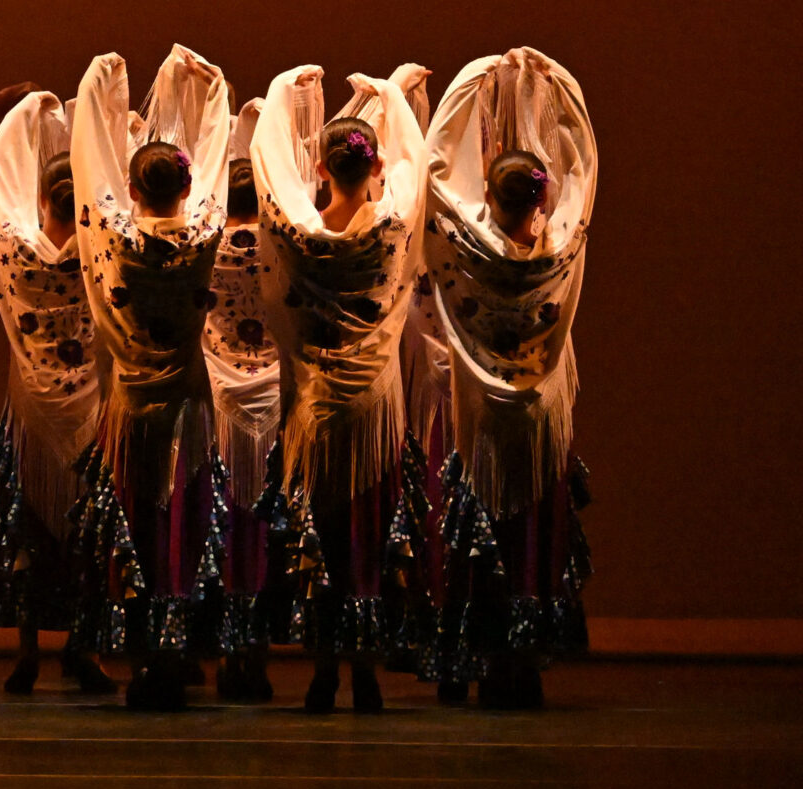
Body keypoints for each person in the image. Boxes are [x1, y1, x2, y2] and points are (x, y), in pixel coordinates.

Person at [252, 65, 429, 713]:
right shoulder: (390, 230)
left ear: (320, 169)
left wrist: (282, 92)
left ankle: (325, 669)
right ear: (374, 166)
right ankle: (366, 672)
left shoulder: (298, 236)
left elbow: (270, 167)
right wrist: (393, 96)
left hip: (317, 408)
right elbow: (413, 166)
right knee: (368, 534)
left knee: (323, 533)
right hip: (374, 409)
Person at [425, 48, 599, 708]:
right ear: (543, 198)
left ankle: (480, 658)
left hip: (481, 424)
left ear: (487, 198)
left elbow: (437, 170)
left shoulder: (464, 248)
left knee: (483, 538)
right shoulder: (561, 248)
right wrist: (559, 83)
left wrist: (472, 75)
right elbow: (583, 169)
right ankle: (522, 664)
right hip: (537, 424)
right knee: (528, 536)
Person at [72, 46, 234, 711]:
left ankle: (143, 655)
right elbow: (218, 162)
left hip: (132, 409)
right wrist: (214, 93)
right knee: (180, 528)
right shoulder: (204, 233)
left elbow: (90, 172)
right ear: (187, 189)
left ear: (132, 191)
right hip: (187, 409)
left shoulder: (113, 239)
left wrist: (100, 87)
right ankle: (177, 652)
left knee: (136, 527)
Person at [0, 82, 111, 697]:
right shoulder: (102, 252)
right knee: (89, 534)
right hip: (88, 411)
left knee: (27, 531)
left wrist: (22, 118)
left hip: (32, 411)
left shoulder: (13, 247)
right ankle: (85, 650)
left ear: (39, 198)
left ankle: (28, 649)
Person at [205, 100, 283, 702]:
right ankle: (255, 653)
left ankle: (224, 647)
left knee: (226, 523)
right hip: (274, 399)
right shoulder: (283, 248)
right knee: (263, 526)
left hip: (220, 401)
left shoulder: (204, 247)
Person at [387, 63, 460, 697]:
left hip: (435, 403)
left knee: (440, 508)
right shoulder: (463, 250)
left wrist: (391, 101)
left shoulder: (403, 246)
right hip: (442, 403)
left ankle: (436, 633)